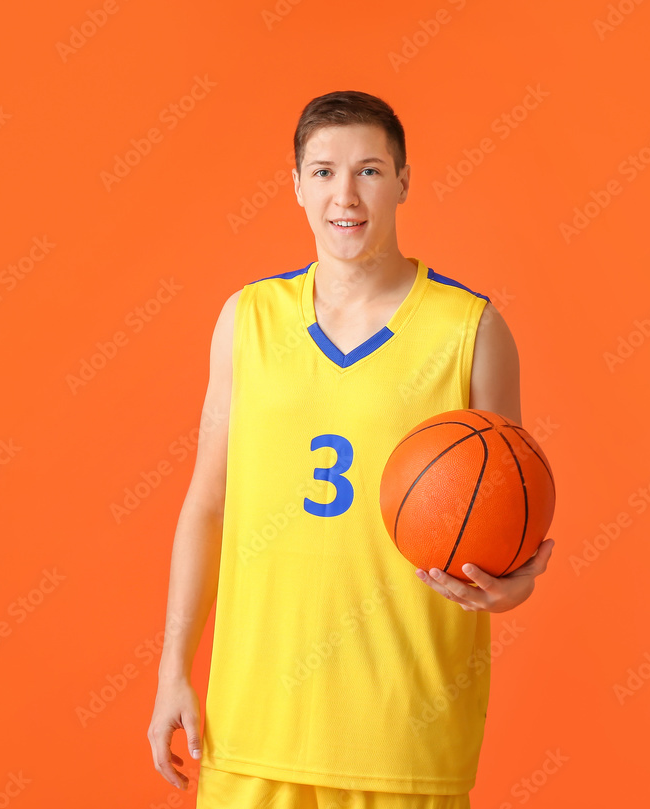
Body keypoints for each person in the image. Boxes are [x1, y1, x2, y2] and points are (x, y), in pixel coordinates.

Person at [147, 90, 554, 809]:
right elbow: (207, 505)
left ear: (403, 181)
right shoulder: (247, 320)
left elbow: (508, 523)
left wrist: (513, 585)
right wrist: (172, 667)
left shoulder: (473, 329)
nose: (346, 194)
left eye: (369, 170)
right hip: (253, 722)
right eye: (324, 171)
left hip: (402, 730)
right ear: (297, 184)